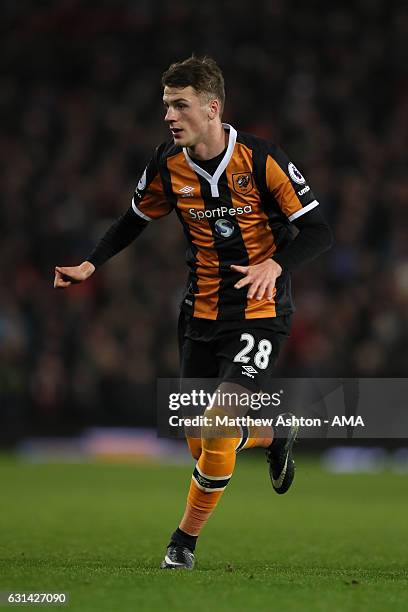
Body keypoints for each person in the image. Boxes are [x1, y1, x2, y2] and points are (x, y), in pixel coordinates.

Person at [54, 56, 332, 570]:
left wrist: (275, 263)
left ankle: (183, 542)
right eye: (166, 106)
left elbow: (318, 230)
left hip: (259, 310)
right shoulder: (167, 163)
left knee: (219, 422)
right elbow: (132, 219)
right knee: (200, 440)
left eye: (179, 105)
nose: (169, 116)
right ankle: (272, 435)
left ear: (212, 108)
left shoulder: (262, 159)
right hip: (199, 313)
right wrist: (91, 264)